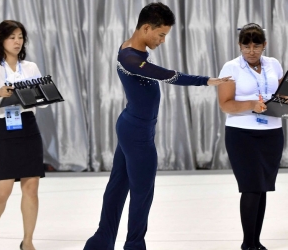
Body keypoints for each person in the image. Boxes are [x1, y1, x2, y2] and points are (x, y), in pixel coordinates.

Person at [84, 3, 233, 250]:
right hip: (137, 133)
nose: (163, 40)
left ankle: (100, 242)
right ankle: (133, 245)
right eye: (161, 34)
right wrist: (206, 80)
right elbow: (168, 75)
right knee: (142, 193)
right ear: (146, 28)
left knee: (118, 187)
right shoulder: (130, 57)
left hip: (133, 126)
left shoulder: (134, 49)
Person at [218, 23, 284, 250]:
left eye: (256, 46)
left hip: (272, 134)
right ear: (239, 46)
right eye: (246, 46)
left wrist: (287, 103)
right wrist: (251, 105)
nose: (251, 51)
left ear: (264, 45)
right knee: (250, 187)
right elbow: (225, 105)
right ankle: (248, 244)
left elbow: (282, 96)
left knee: (262, 187)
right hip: (241, 134)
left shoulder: (274, 64)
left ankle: (256, 242)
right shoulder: (231, 67)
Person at [0, 20, 46, 250]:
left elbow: (42, 102)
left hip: (28, 126)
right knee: (2, 190)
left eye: (20, 37)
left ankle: (28, 242)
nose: (17, 41)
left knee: (31, 187)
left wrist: (35, 95)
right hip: (3, 126)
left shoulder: (31, 67)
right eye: (12, 37)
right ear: (1, 39)